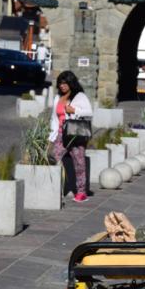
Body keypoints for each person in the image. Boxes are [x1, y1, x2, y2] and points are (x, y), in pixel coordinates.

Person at [48, 71, 92, 202]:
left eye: (65, 83)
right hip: (61, 134)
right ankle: (55, 188)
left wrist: (74, 110)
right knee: (53, 159)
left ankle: (81, 192)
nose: (62, 85)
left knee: (79, 163)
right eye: (60, 83)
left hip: (75, 134)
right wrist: (51, 136)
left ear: (71, 83)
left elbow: (89, 112)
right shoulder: (57, 98)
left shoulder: (79, 96)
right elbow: (54, 119)